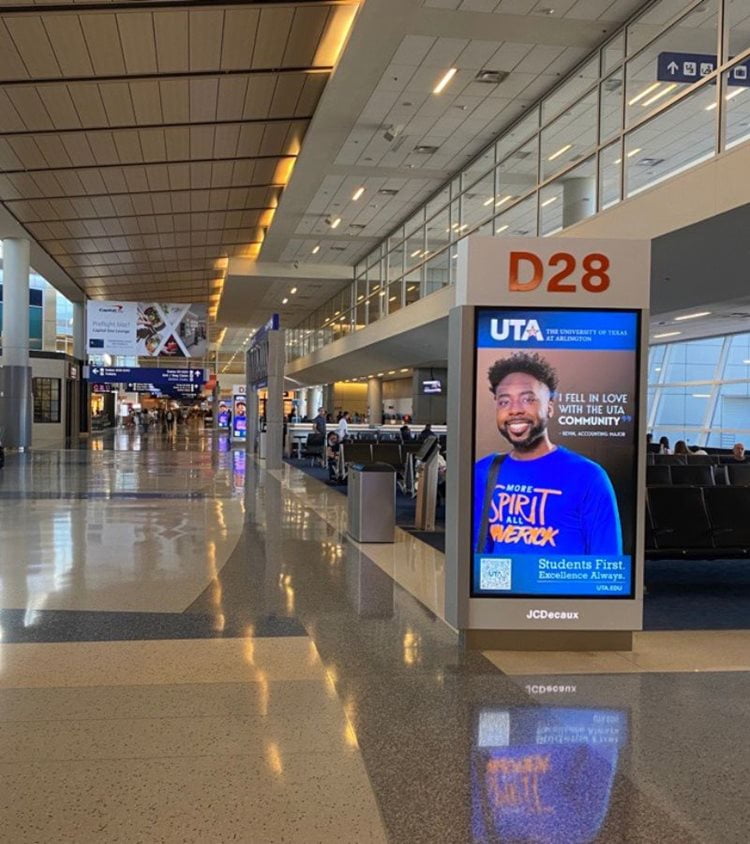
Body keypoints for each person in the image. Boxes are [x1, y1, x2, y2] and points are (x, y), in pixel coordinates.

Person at [474, 351, 622, 555]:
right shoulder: (482, 472)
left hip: (561, 585)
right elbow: (474, 556)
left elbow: (607, 562)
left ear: (550, 407)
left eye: (528, 399)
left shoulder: (588, 476)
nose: (514, 410)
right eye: (504, 401)